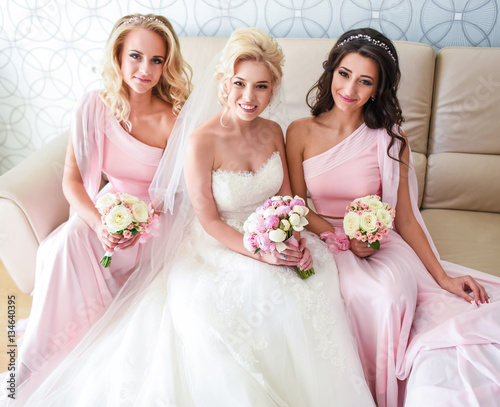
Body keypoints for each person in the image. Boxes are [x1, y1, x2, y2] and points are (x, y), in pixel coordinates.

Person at [9, 27, 376, 406]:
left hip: (269, 233)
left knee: (314, 279)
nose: (249, 97)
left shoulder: (274, 132)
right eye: (239, 83)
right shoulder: (200, 140)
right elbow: (209, 220)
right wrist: (260, 252)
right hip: (217, 243)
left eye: (262, 87)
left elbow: (286, 201)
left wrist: (292, 240)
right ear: (223, 82)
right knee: (249, 291)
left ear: (274, 88)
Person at [286, 27, 500, 407]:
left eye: (365, 81)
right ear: (331, 71)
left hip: (380, 244)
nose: (350, 89)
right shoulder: (300, 131)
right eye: (344, 74)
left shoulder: (390, 138)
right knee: (336, 296)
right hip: (322, 238)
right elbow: (296, 203)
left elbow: (404, 219)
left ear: (377, 89)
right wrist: (337, 238)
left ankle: (380, 394)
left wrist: (443, 277)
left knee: (382, 297)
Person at [0, 13, 191, 400]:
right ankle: (39, 358)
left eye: (157, 61)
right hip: (107, 207)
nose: (145, 70)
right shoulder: (94, 106)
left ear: (167, 65)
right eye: (136, 56)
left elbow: (179, 191)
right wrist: (99, 222)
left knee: (85, 247)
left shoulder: (173, 118)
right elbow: (72, 180)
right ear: (118, 56)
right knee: (69, 239)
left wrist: (140, 224)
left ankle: (75, 340)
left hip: (157, 219)